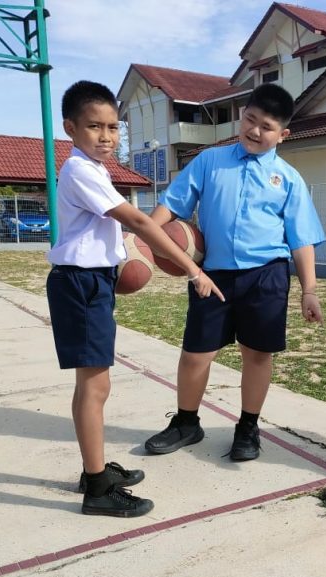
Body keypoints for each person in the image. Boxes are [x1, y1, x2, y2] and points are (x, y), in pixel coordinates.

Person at [47, 80, 224, 517]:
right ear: (70, 127)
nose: (106, 136)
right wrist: (192, 268)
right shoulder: (80, 170)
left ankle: (97, 472)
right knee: (94, 386)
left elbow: (111, 229)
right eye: (94, 127)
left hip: (91, 282)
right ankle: (97, 489)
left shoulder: (93, 168)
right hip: (80, 284)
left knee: (95, 383)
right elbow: (142, 223)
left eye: (113, 128)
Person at [144, 83, 325, 462]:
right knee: (196, 353)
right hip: (212, 276)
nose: (255, 131)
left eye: (267, 127)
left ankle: (247, 428)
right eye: (250, 119)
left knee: (257, 355)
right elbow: (172, 206)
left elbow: (301, 238)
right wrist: (146, 237)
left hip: (267, 276)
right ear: (242, 116)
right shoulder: (210, 161)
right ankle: (186, 423)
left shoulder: (288, 179)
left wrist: (309, 289)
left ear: (283, 134)